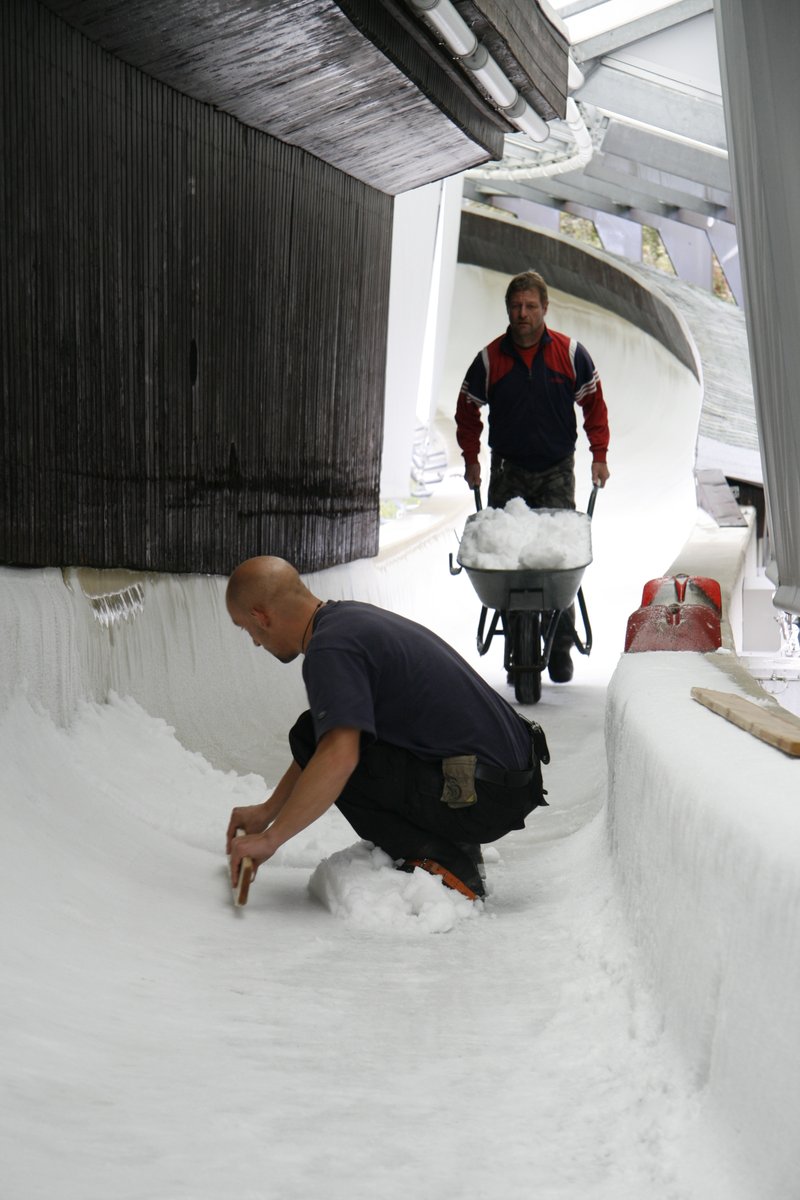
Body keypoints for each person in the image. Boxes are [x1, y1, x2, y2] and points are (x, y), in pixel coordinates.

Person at [225, 556, 549, 902]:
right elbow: (322, 743)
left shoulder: (330, 649)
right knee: (313, 731)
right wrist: (267, 812)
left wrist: (271, 840)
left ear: (262, 616)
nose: (256, 643)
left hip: (483, 798)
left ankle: (445, 861)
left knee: (335, 753)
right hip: (502, 784)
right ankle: (452, 838)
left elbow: (338, 757)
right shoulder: (346, 621)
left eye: (247, 629)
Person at [455, 269, 610, 683]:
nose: (522, 314)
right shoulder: (490, 359)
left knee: (559, 559)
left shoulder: (570, 354)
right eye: (515, 306)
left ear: (545, 308)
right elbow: (467, 411)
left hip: (556, 470)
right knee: (508, 559)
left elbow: (594, 405)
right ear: (508, 309)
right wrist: (471, 458)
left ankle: (560, 644)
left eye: (530, 306)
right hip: (508, 470)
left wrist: (599, 455)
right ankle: (515, 644)